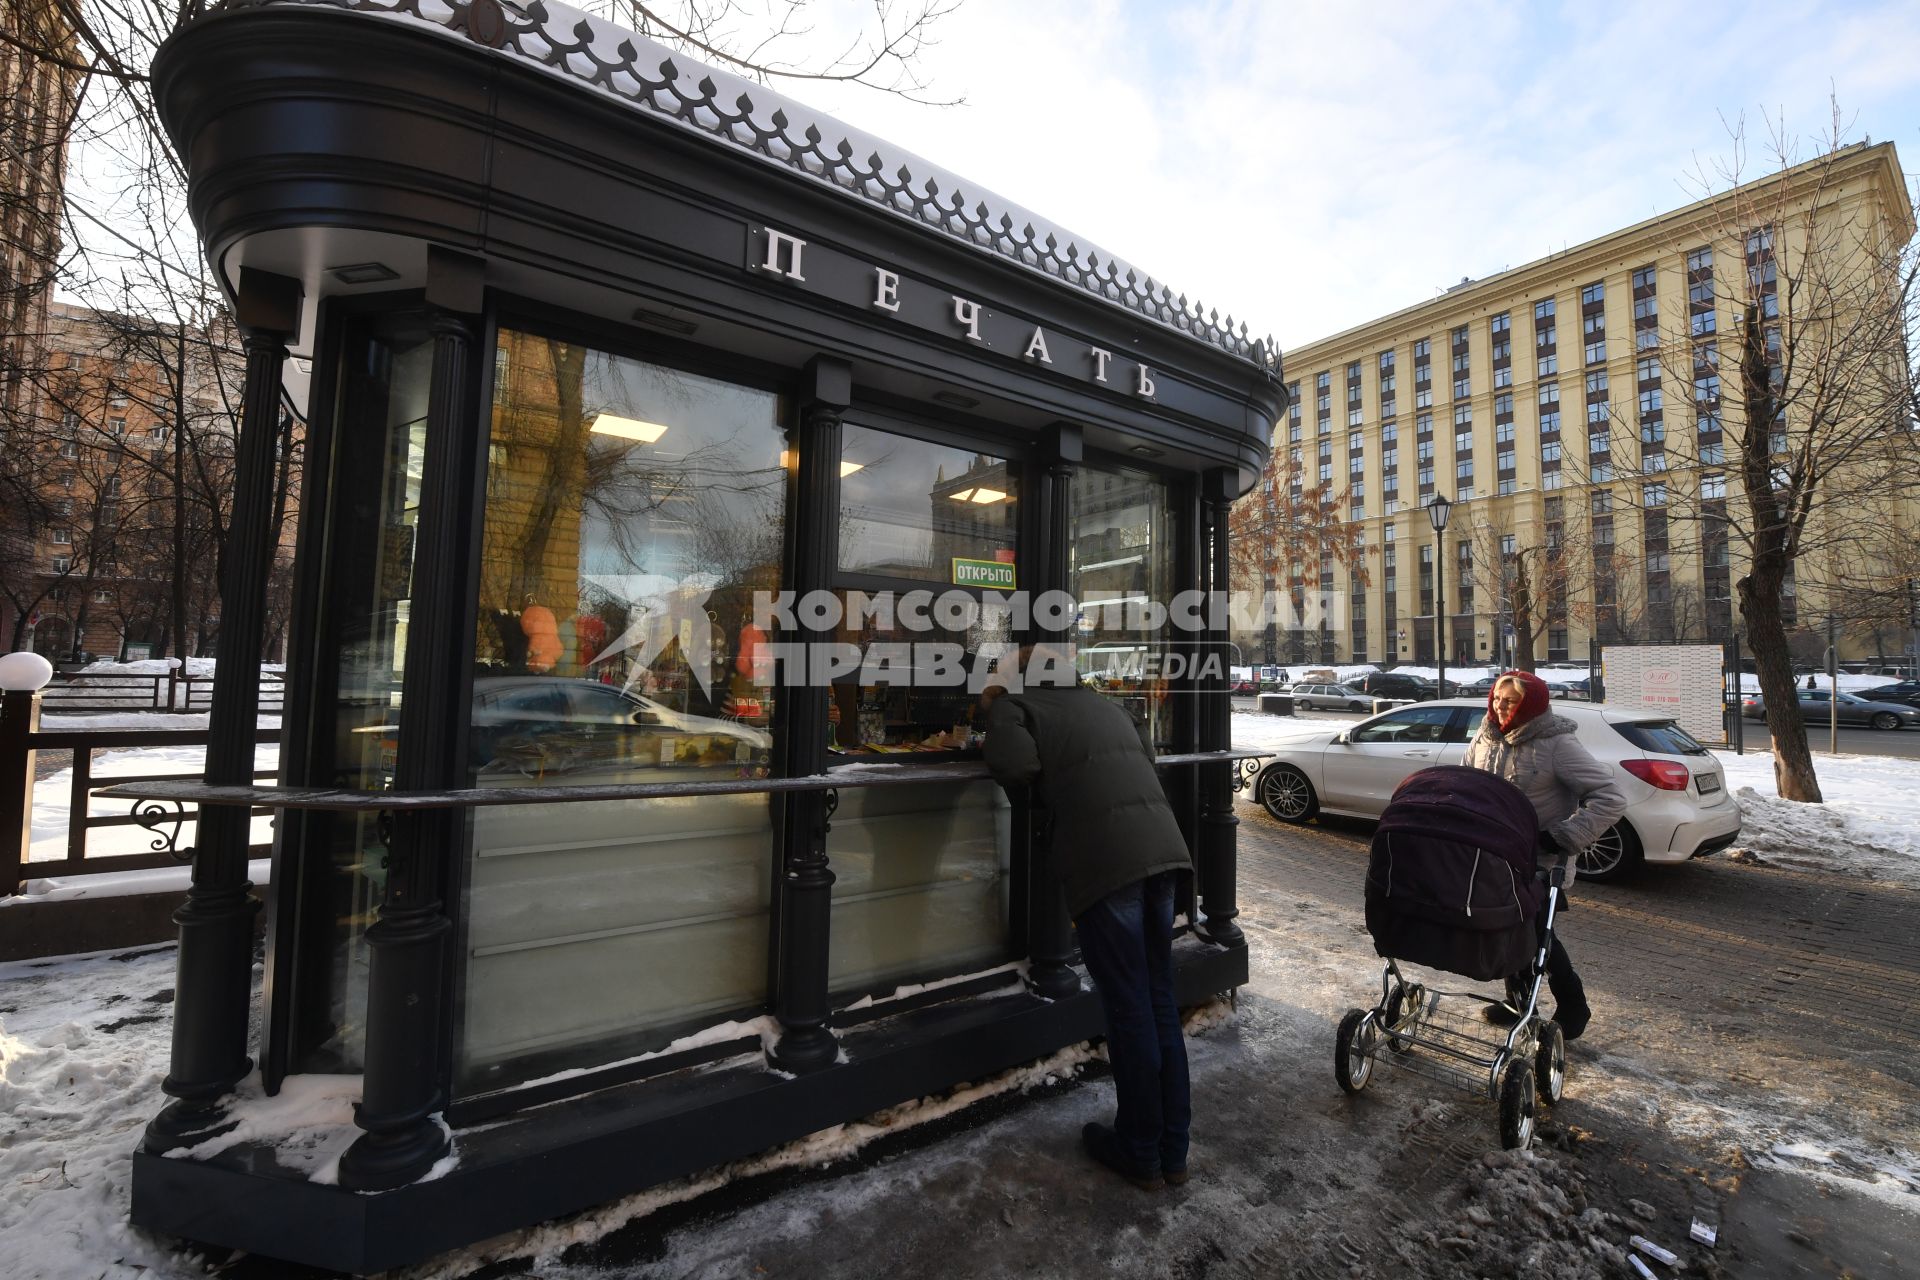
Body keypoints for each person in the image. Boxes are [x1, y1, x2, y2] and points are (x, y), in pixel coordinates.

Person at [981, 645, 1194, 1191]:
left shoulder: (1016, 707)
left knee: (1129, 1009)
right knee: (1159, 1000)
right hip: (1165, 854)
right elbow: (1144, 761)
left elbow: (1015, 764)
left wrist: (992, 708)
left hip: (1108, 863)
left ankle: (1139, 1148)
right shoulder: (1108, 706)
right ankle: (1172, 1150)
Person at [1463, 671, 1627, 1040]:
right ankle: (1518, 1003)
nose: (1499, 706)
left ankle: (1572, 1004)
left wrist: (1565, 835)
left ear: (1531, 705)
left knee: (1537, 933)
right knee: (1503, 924)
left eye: (1510, 701)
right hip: (1493, 852)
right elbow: (1468, 779)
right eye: (1497, 698)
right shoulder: (1486, 735)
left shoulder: (1558, 744)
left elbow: (1610, 797)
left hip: (1540, 859)